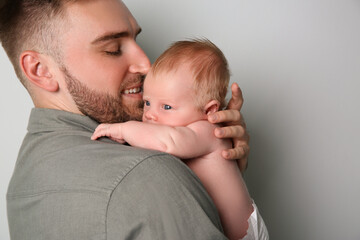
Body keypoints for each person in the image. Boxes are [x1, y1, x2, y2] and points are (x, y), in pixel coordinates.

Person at [1, 0, 251, 239]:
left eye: (136, 39)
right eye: (113, 50)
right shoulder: (147, 174)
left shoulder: (21, 184)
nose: (146, 64)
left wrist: (219, 167)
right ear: (39, 70)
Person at [92, 39, 268, 240]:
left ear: (209, 110)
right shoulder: (181, 128)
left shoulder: (208, 130)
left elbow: (167, 142)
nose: (150, 114)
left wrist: (124, 130)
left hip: (245, 233)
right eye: (147, 102)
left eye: (166, 107)